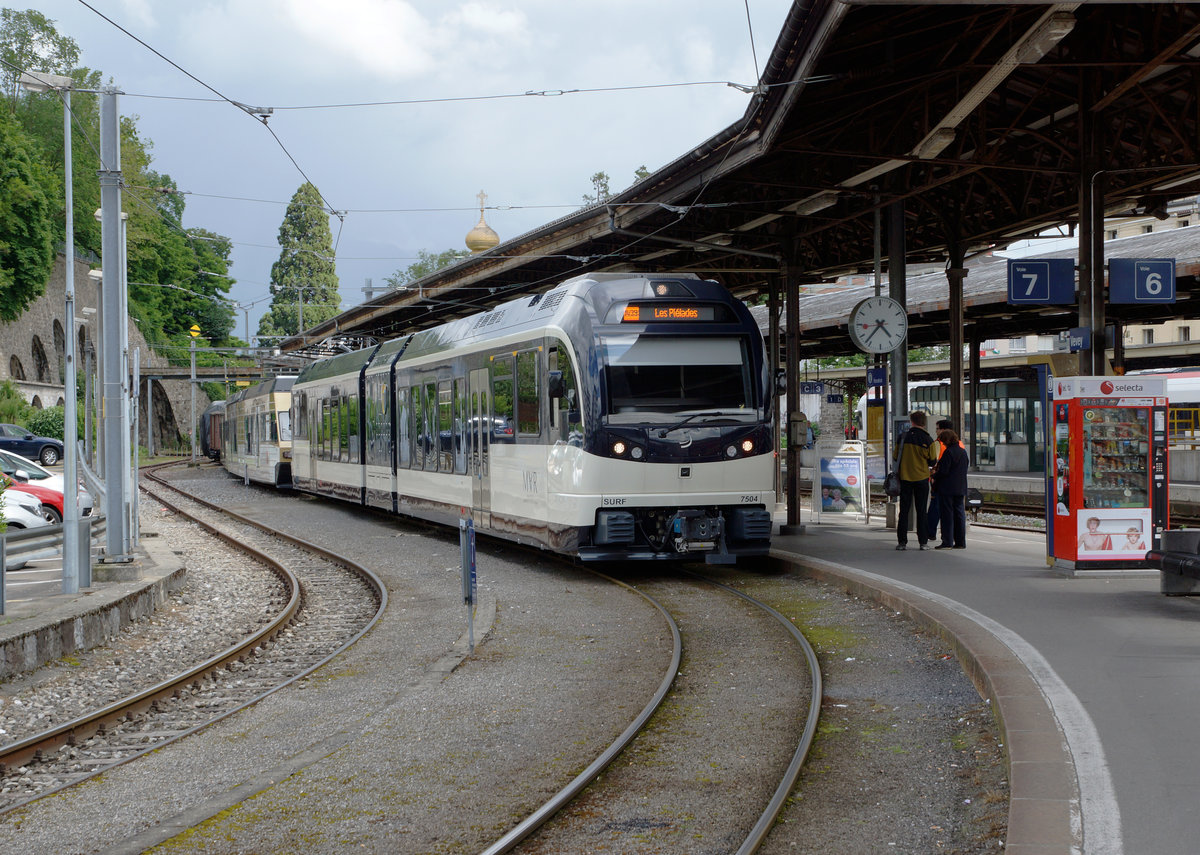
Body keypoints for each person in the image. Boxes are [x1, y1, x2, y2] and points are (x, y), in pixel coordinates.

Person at [893, 410, 940, 550]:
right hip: (922, 479)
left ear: (911, 421)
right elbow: (933, 461)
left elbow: (896, 456)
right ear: (924, 423)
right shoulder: (928, 439)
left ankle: (902, 542)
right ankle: (923, 542)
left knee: (904, 511)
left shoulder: (903, 437)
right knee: (921, 512)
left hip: (905, 478)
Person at [931, 428, 970, 549]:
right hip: (960, 487)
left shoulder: (949, 452)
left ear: (947, 440)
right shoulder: (963, 452)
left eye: (943, 441)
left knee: (947, 515)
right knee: (959, 514)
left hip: (947, 488)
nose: (942, 443)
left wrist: (934, 475)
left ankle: (947, 541)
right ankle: (960, 542)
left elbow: (944, 471)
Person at [927, 419, 956, 542]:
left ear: (943, 430)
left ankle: (930, 532)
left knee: (935, 507)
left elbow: (934, 461)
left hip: (939, 479)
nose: (936, 431)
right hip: (955, 481)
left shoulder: (938, 443)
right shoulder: (959, 443)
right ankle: (955, 536)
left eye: (937, 428)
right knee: (954, 509)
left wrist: (933, 476)